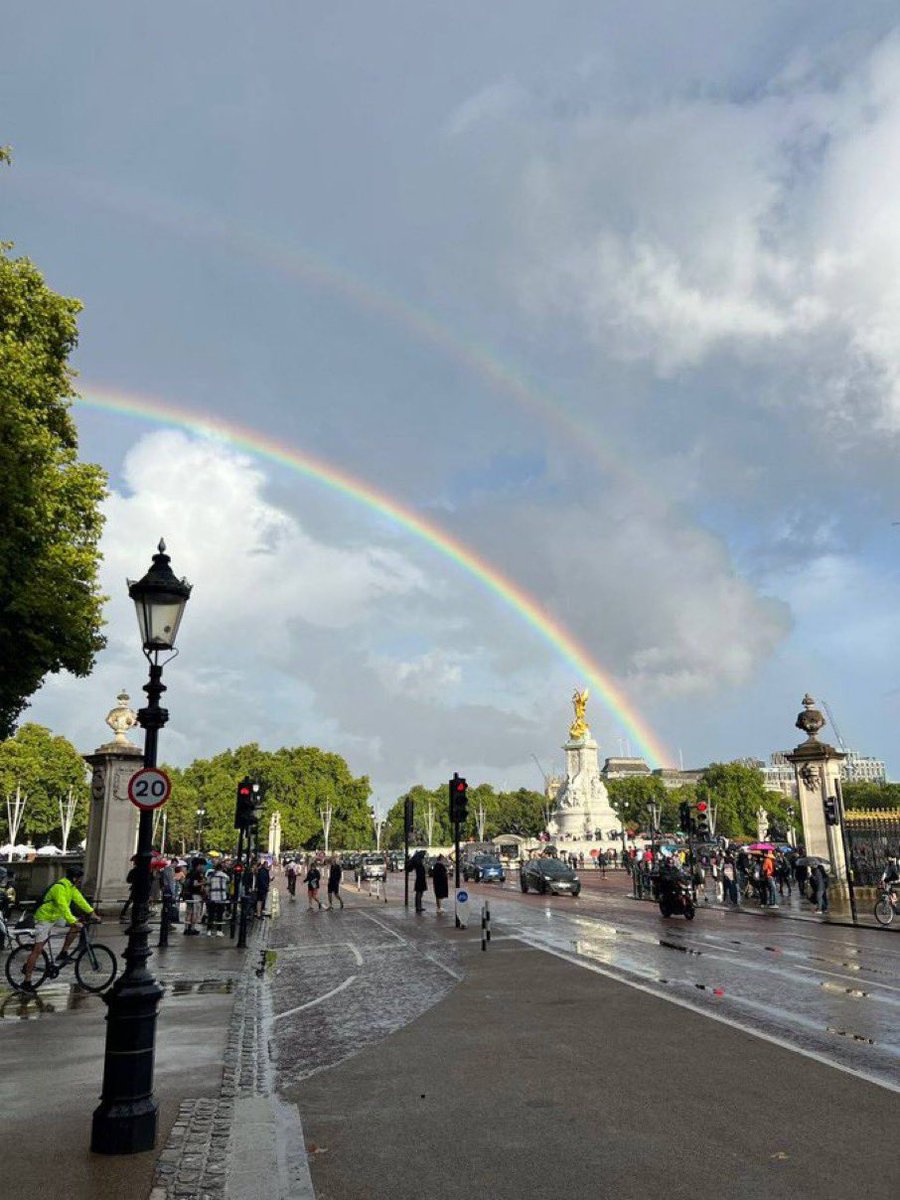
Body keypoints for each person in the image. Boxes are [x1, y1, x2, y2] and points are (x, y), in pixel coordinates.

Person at [20, 866, 98, 990]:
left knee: (75, 925)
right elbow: (63, 906)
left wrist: (92, 913)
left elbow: (80, 900)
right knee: (38, 950)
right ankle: (27, 981)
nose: (80, 881)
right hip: (44, 918)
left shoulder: (71, 888)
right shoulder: (59, 887)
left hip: (55, 916)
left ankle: (63, 952)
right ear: (74, 878)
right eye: (79, 879)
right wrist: (73, 920)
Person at [182, 858, 206, 935]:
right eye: (203, 865)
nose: (203, 867)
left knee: (188, 912)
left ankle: (186, 929)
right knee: (195, 912)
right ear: (199, 865)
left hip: (187, 894)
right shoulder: (197, 873)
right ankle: (192, 928)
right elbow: (195, 884)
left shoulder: (189, 873)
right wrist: (204, 883)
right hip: (195, 895)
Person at [206, 862, 230, 936]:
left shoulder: (211, 875)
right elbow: (228, 882)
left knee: (211, 914)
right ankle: (219, 930)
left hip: (212, 897)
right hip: (221, 897)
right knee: (220, 914)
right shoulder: (225, 876)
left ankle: (209, 930)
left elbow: (207, 885)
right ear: (222, 868)